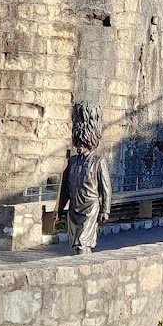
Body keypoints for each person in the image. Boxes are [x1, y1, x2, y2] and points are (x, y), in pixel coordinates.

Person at [57, 103, 111, 255]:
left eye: (82, 144)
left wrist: (105, 210)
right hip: (74, 207)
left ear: (89, 142)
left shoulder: (98, 161)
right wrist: (60, 209)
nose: (78, 147)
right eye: (77, 143)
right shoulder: (73, 161)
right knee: (76, 245)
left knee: (82, 242)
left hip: (90, 207)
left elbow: (106, 188)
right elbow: (66, 188)